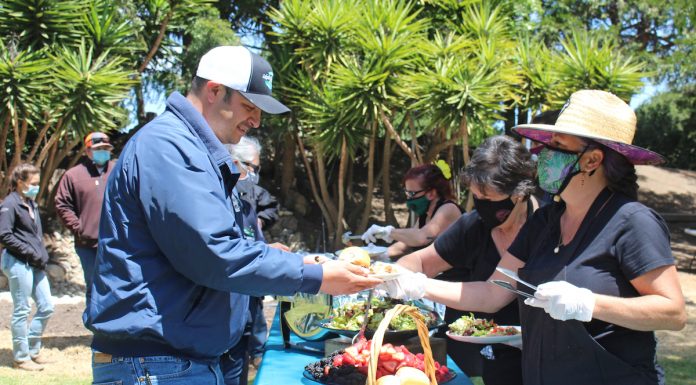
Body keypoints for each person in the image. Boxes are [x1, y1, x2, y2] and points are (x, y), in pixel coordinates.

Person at [84, 45, 381, 385]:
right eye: (249, 107)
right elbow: (215, 254)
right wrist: (315, 276)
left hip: (174, 361)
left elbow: (221, 243)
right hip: (157, 364)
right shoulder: (169, 147)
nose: (256, 121)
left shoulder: (188, 147)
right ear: (214, 90)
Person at [383, 90, 687, 385]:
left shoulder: (632, 222)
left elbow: (672, 312)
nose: (542, 154)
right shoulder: (545, 221)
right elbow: (493, 294)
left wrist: (588, 303)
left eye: (557, 144)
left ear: (591, 160)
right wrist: (420, 284)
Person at [391, 136, 536, 385]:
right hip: (491, 361)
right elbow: (422, 262)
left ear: (519, 194)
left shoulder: (546, 225)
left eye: (488, 199)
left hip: (545, 358)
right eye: (475, 196)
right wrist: (395, 274)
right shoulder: (474, 226)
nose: (481, 205)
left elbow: (492, 294)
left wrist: (419, 285)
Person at [220, 136, 279, 385]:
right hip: (223, 312)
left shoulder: (247, 200)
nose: (254, 173)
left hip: (246, 304)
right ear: (235, 162)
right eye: (252, 167)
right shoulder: (218, 198)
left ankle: (255, 352)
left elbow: (254, 240)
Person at [0, 163, 54, 371]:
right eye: (33, 183)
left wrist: (41, 253)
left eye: (38, 183)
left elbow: (34, 235)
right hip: (18, 263)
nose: (36, 187)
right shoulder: (10, 204)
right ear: (20, 182)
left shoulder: (31, 203)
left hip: (35, 263)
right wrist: (30, 252)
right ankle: (21, 358)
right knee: (22, 309)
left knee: (47, 305)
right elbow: (4, 235)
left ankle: (33, 350)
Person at [55, 132, 115, 294]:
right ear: (87, 151)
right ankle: (93, 320)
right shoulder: (73, 176)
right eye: (97, 148)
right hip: (87, 245)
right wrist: (78, 228)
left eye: (105, 148)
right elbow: (62, 204)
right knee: (93, 288)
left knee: (117, 287)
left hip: (117, 243)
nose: (102, 151)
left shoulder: (119, 171)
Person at [362, 163, 461, 259]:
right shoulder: (426, 214)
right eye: (407, 193)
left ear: (431, 193)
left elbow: (421, 237)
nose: (409, 198)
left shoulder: (448, 209)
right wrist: (381, 255)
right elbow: (407, 243)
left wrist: (388, 232)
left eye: (412, 193)